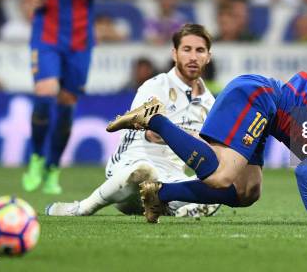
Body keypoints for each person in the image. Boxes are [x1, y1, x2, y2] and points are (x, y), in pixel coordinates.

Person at [106, 71, 307, 225]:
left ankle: (160, 194)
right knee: (221, 177)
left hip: (267, 117)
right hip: (260, 96)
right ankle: (155, 120)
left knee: (247, 193)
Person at [16, 0, 124, 194]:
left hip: (80, 40)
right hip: (46, 33)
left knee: (66, 105)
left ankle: (52, 168)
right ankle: (36, 157)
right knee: (45, 93)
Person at [46, 24, 220, 218]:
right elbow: (153, 133)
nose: (193, 57)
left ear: (208, 57)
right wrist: (194, 137)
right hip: (130, 169)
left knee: (219, 180)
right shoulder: (156, 86)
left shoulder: (210, 103)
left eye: (200, 50)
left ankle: (167, 206)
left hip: (171, 178)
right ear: (175, 54)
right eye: (187, 49)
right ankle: (82, 208)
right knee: (145, 172)